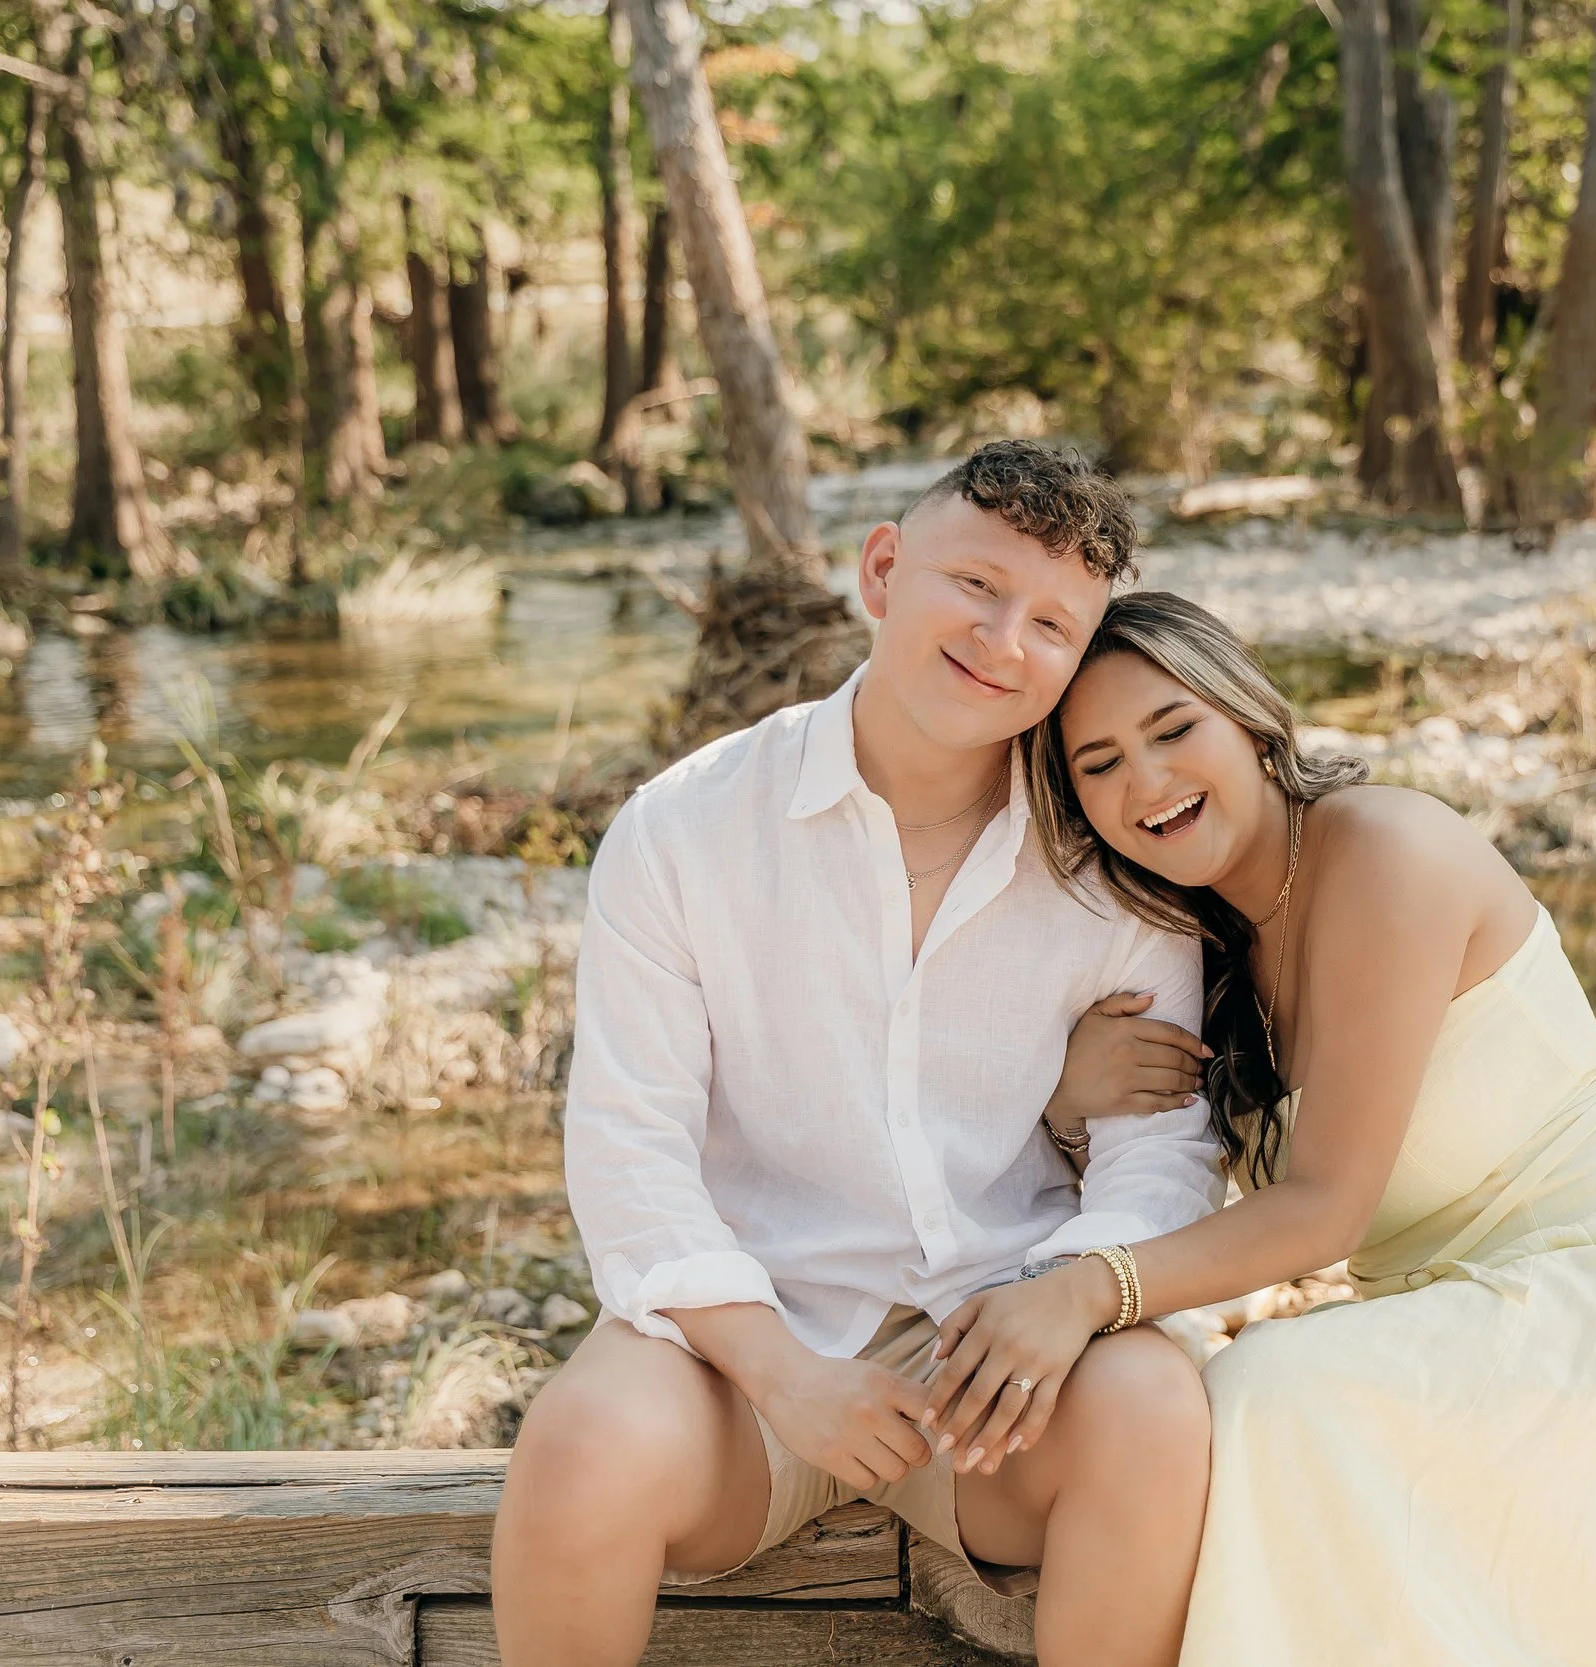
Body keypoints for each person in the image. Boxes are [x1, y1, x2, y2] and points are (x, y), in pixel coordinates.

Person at [923, 590, 1596, 1666]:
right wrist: (1061, 1094)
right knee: (1190, 1409)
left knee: (1267, 1390)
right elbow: (1171, 1191)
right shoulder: (1194, 945)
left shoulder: (1383, 849)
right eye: (1098, 764)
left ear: (1251, 719)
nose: (1147, 783)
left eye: (1173, 730)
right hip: (1454, 1316)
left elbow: (1324, 1207)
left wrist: (1088, 1286)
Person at [492, 447, 1227, 1667]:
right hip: (751, 1348)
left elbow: (1163, 1153)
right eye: (975, 585)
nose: (1003, 639)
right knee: (581, 1444)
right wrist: (781, 1372)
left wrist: (1065, 1291)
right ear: (883, 568)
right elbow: (629, 1147)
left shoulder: (1115, 867)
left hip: (1001, 1357)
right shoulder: (687, 826)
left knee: (1154, 1408)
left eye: (1051, 622)